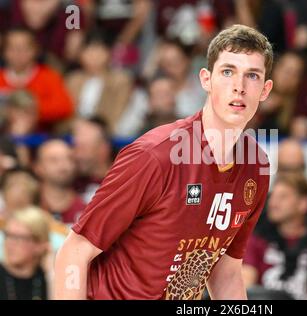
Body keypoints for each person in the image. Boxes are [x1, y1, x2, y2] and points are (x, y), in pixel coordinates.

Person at [54, 24, 273, 300]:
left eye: (252, 76)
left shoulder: (255, 167)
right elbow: (74, 252)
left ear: (265, 90)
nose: (239, 87)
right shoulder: (155, 155)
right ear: (205, 79)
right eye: (228, 72)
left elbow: (226, 272)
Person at [242, 173, 307, 300]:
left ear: (302, 204)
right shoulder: (257, 241)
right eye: (272, 196)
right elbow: (245, 287)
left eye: (283, 197)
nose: (273, 203)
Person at [0, 28, 74, 129]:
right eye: (12, 48)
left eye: (24, 48)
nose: (18, 53)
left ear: (35, 50)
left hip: (41, 138)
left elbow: (64, 106)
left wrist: (29, 109)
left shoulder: (49, 76)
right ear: (4, 52)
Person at [0, 207, 50, 300]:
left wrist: (51, 273)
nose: (10, 243)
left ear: (39, 245)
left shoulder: (47, 279)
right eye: (8, 235)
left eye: (18, 238)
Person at [34, 139, 86, 224]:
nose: (63, 165)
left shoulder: (87, 209)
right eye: (54, 160)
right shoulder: (28, 205)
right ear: (38, 167)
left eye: (69, 159)